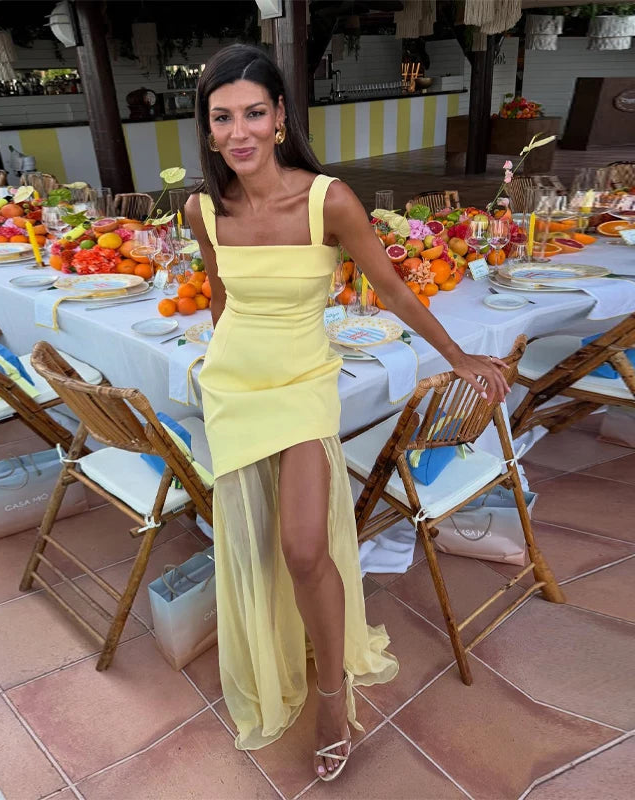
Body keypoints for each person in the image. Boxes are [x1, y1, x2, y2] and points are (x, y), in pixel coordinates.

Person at [185, 43, 509, 782]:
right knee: (256, 540)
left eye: (253, 114)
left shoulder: (326, 199)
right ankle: (283, 645)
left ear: (279, 120)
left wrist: (458, 356)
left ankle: (333, 698)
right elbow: (220, 296)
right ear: (207, 131)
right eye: (222, 117)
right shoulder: (203, 207)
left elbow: (392, 291)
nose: (239, 132)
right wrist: (215, 361)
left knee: (303, 548)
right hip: (236, 385)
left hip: (302, 382)